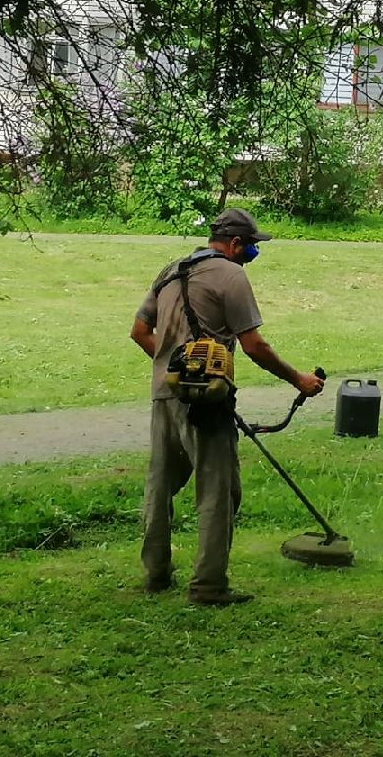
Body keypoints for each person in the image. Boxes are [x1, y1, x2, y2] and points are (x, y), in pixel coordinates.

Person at [130, 207, 324, 606]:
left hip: (164, 395)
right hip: (207, 404)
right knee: (219, 492)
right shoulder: (232, 275)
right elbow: (254, 345)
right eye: (251, 246)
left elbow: (139, 332)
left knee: (159, 487)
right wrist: (299, 380)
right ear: (235, 244)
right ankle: (208, 586)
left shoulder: (171, 271)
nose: (252, 253)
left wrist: (176, 369)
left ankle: (155, 575)